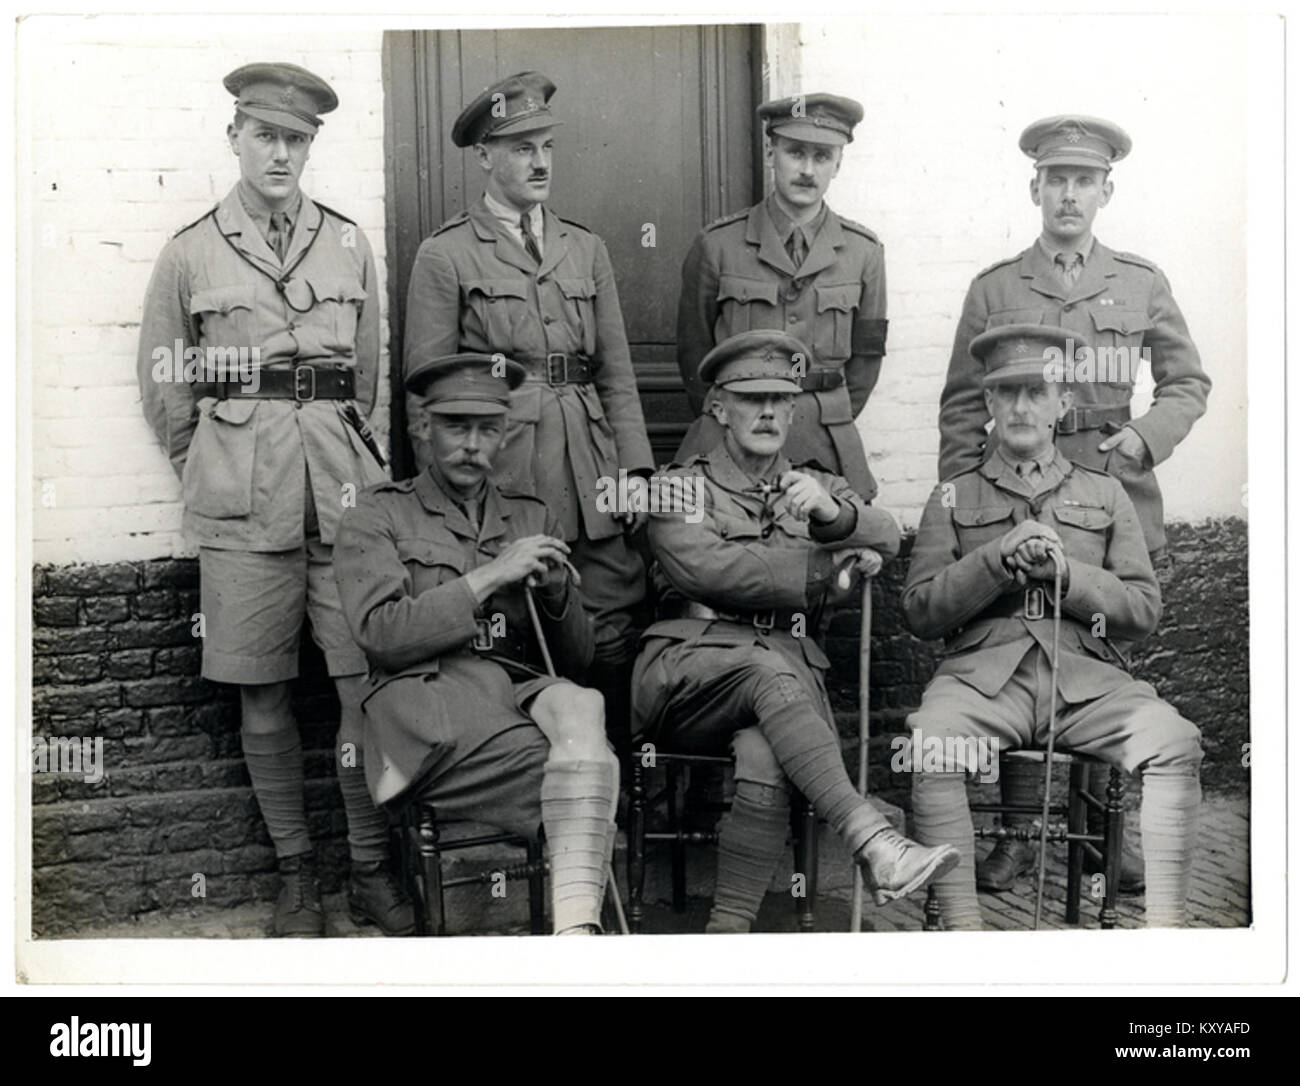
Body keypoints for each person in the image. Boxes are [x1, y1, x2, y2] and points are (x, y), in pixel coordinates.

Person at [136, 62, 410, 937]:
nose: (282, 152)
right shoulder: (191, 251)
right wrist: (209, 467)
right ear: (236, 139)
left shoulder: (347, 243)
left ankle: (367, 870)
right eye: (266, 136)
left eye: (297, 139)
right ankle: (297, 876)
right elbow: (166, 381)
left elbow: (368, 378)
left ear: (311, 146)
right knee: (262, 695)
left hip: (343, 500)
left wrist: (355, 467)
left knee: (362, 688)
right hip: (242, 509)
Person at [937, 116, 1211, 892]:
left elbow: (1188, 383)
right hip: (1013, 495)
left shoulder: (1139, 282)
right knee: (1023, 640)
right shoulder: (995, 287)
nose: (1067, 194)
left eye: (1082, 180)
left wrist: (1145, 439)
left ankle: (1100, 835)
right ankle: (1020, 836)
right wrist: (966, 503)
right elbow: (962, 406)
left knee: (1100, 651)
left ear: (1105, 191)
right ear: (1035, 187)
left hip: (1108, 492)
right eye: (1055, 179)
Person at [633, 330, 958, 933]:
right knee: (766, 666)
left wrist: (834, 516)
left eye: (780, 400)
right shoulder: (680, 486)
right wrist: (822, 566)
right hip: (689, 673)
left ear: (793, 410)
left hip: (779, 684)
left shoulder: (814, 486)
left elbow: (886, 535)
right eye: (750, 398)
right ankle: (872, 839)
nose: (766, 412)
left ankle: (726, 931)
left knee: (764, 752)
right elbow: (706, 569)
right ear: (718, 409)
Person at [904, 324, 1202, 930]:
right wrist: (995, 562)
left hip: (1088, 684)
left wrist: (1069, 575)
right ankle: (961, 937)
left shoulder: (1109, 492)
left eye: (1036, 391)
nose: (1020, 406)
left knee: (1175, 743)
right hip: (983, 683)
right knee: (930, 746)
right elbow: (921, 610)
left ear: (1063, 403)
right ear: (986, 404)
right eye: (1006, 393)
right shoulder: (951, 497)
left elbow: (1143, 611)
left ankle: (1168, 934)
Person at [402, 71, 652, 762]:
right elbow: (425, 396)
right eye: (519, 148)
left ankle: (613, 796)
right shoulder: (445, 254)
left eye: (546, 145)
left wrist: (634, 468)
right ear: (485, 155)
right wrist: (451, 503)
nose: (539, 161)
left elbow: (618, 372)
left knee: (609, 627)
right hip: (506, 475)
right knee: (519, 630)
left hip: (591, 469)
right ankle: (543, 794)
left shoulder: (585, 248)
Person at [333, 353, 621, 935]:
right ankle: (578, 930)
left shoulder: (530, 515)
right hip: (425, 705)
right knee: (591, 767)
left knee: (584, 703)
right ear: (422, 428)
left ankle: (573, 936)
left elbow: (573, 660)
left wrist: (559, 592)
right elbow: (380, 635)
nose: (473, 445)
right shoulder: (376, 513)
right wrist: (489, 576)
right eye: (455, 427)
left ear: (505, 433)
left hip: (510, 696)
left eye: (487, 429)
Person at [674, 93, 888, 502]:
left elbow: (866, 361)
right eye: (795, 152)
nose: (808, 170)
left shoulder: (865, 253)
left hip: (826, 439)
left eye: (822, 156)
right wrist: (733, 415)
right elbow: (693, 352)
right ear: (772, 152)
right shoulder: (718, 246)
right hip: (730, 439)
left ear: (838, 164)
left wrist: (825, 415)